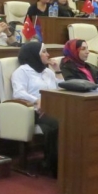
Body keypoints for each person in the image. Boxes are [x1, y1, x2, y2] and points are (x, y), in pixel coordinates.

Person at [10, 41, 60, 176]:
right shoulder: (22, 71)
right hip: (33, 110)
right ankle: (53, 165)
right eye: (44, 51)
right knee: (57, 124)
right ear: (34, 54)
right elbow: (18, 93)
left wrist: (57, 70)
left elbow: (61, 89)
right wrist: (36, 100)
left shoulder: (48, 72)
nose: (48, 54)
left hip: (53, 107)